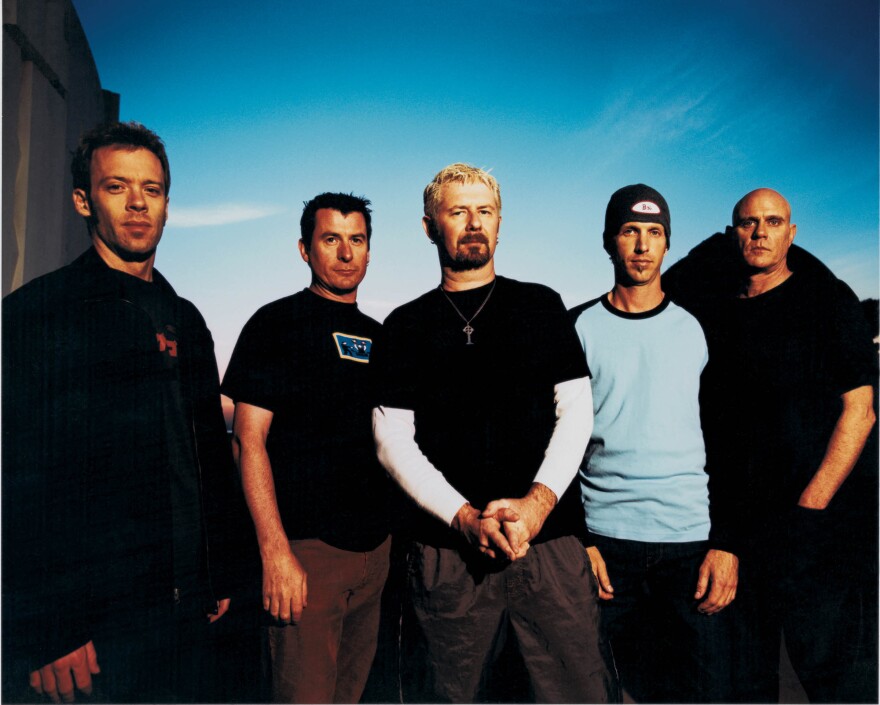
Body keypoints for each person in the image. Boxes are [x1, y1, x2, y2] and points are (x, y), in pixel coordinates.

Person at [2, 121, 247, 703]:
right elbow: (17, 478)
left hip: (188, 612)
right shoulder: (38, 312)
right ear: (83, 200)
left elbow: (207, 455)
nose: (138, 203)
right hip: (94, 624)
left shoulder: (186, 318)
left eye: (152, 189)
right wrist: (49, 626)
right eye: (117, 186)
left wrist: (221, 570)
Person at [372, 163, 616, 703]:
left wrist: (537, 506)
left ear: (500, 224)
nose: (474, 222)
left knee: (578, 691)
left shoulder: (540, 305)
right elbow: (391, 441)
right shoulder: (405, 326)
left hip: (546, 546)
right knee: (447, 695)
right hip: (446, 555)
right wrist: (462, 518)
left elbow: (577, 411)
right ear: (430, 227)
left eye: (485, 211)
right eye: (458, 211)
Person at [665, 188, 877, 702]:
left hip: (815, 530)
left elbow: (860, 411)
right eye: (748, 223)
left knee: (834, 680)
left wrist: (810, 510)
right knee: (748, 681)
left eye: (773, 222)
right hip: (741, 536)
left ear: (792, 233)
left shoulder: (825, 300)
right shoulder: (716, 311)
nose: (760, 233)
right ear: (731, 233)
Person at [570, 184, 737, 703]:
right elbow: (555, 443)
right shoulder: (576, 327)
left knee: (699, 692)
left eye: (654, 232)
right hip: (605, 543)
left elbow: (731, 440)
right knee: (595, 691)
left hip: (689, 544)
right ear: (608, 241)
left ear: (667, 243)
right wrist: (581, 540)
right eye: (630, 231)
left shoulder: (701, 328)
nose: (642, 245)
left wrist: (728, 541)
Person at [221, 193, 391, 704]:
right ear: (304, 249)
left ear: (369, 250)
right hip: (306, 556)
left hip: (375, 557)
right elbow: (247, 441)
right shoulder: (276, 324)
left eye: (356, 240)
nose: (346, 253)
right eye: (331, 239)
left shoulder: (381, 337)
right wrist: (275, 553)